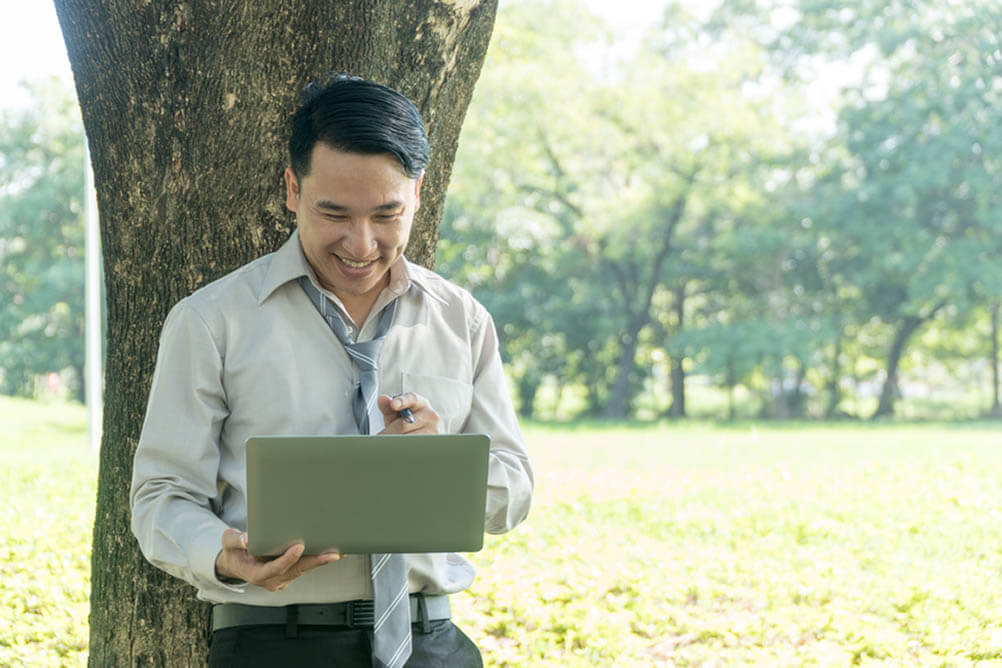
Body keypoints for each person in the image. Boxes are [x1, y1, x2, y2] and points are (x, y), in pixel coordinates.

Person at [130, 73, 534, 668]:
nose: (362, 243)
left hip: (433, 644)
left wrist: (444, 457)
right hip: (273, 643)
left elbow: (514, 489)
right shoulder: (213, 321)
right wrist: (224, 555)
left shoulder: (461, 319)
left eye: (387, 214)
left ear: (418, 193)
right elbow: (160, 497)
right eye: (334, 213)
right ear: (293, 189)